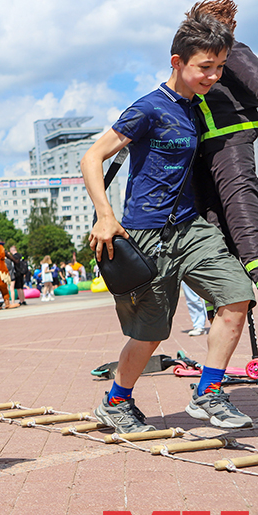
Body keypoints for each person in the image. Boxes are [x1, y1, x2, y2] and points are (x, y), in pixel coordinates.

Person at [82, 7, 254, 433]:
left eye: (219, 67)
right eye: (205, 67)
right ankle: (116, 401)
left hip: (190, 228)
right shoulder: (149, 108)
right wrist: (105, 215)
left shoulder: (197, 108)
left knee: (237, 295)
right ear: (177, 62)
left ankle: (209, 392)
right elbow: (92, 156)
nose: (213, 76)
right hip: (146, 234)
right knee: (150, 334)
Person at [190, 1, 258, 288]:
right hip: (206, 146)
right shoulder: (204, 58)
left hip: (230, 137)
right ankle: (223, 287)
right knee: (212, 217)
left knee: (239, 205)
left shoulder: (231, 49)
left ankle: (255, 267)